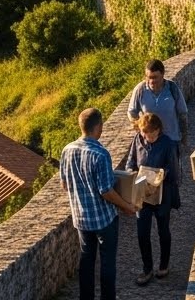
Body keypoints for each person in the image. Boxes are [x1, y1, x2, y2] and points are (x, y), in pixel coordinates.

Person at [61, 107, 139, 300]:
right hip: (104, 219)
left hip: (81, 218)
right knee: (107, 263)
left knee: (86, 260)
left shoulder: (67, 150)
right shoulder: (100, 154)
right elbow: (106, 191)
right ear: (99, 127)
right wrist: (126, 206)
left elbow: (65, 184)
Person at [125, 112, 179, 286]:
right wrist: (132, 173)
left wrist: (158, 176)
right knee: (142, 232)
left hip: (162, 194)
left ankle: (163, 265)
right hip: (142, 194)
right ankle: (147, 268)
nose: (146, 137)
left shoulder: (168, 144)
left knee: (163, 230)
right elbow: (130, 163)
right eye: (143, 133)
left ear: (158, 130)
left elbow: (173, 170)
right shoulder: (138, 140)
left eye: (149, 134)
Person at [128, 60, 188, 153]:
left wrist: (184, 139)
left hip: (171, 141)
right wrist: (142, 131)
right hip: (150, 143)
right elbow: (132, 113)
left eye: (155, 77)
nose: (151, 81)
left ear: (162, 74)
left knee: (172, 167)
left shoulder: (172, 89)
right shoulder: (140, 90)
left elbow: (183, 113)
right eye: (149, 77)